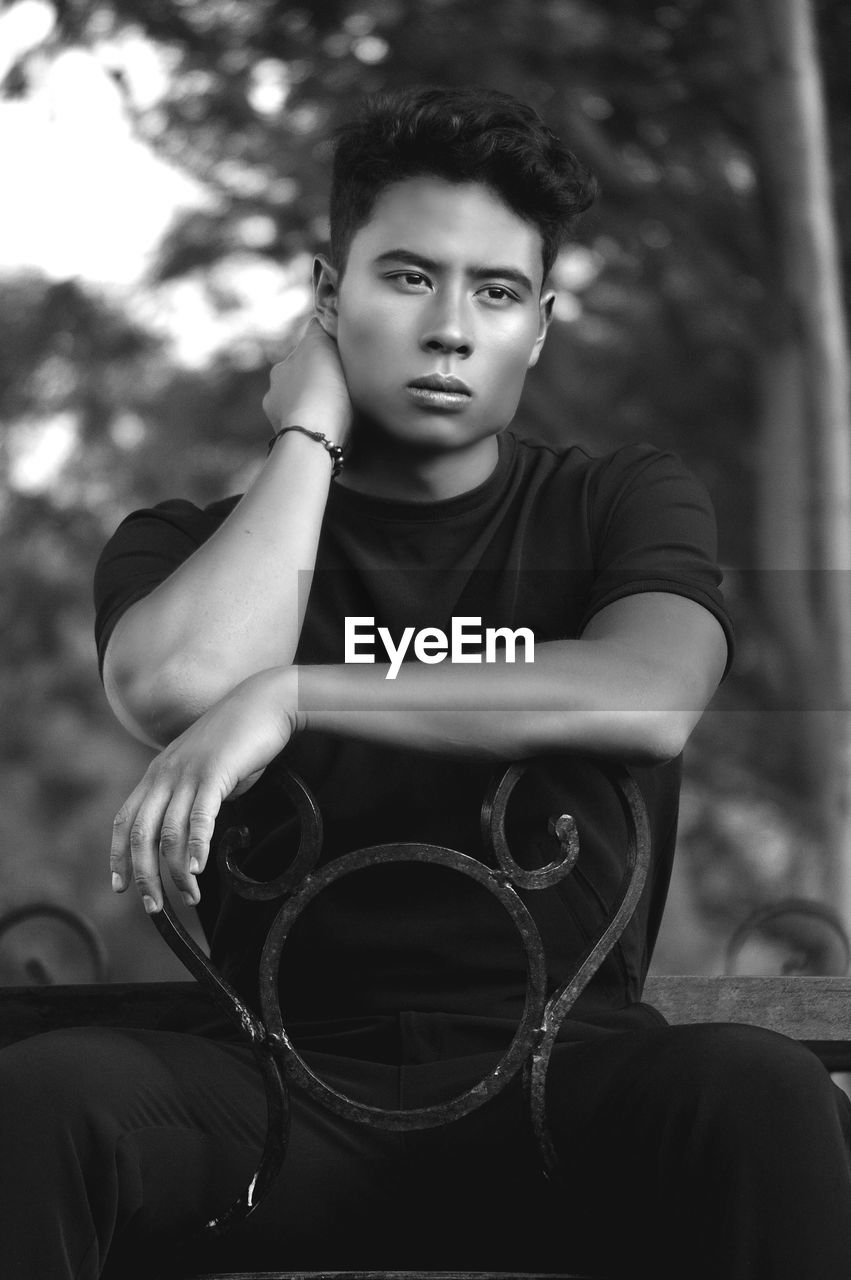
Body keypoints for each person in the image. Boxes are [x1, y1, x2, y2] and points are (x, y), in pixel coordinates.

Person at [2, 86, 850, 1280]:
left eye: (495, 292)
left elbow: (650, 692)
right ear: (327, 294)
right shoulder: (184, 541)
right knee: (44, 1098)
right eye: (406, 277)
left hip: (568, 1091)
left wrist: (298, 692)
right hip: (277, 1096)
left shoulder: (617, 501)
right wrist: (305, 437)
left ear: (539, 326)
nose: (451, 327)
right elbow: (179, 683)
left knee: (760, 1088)